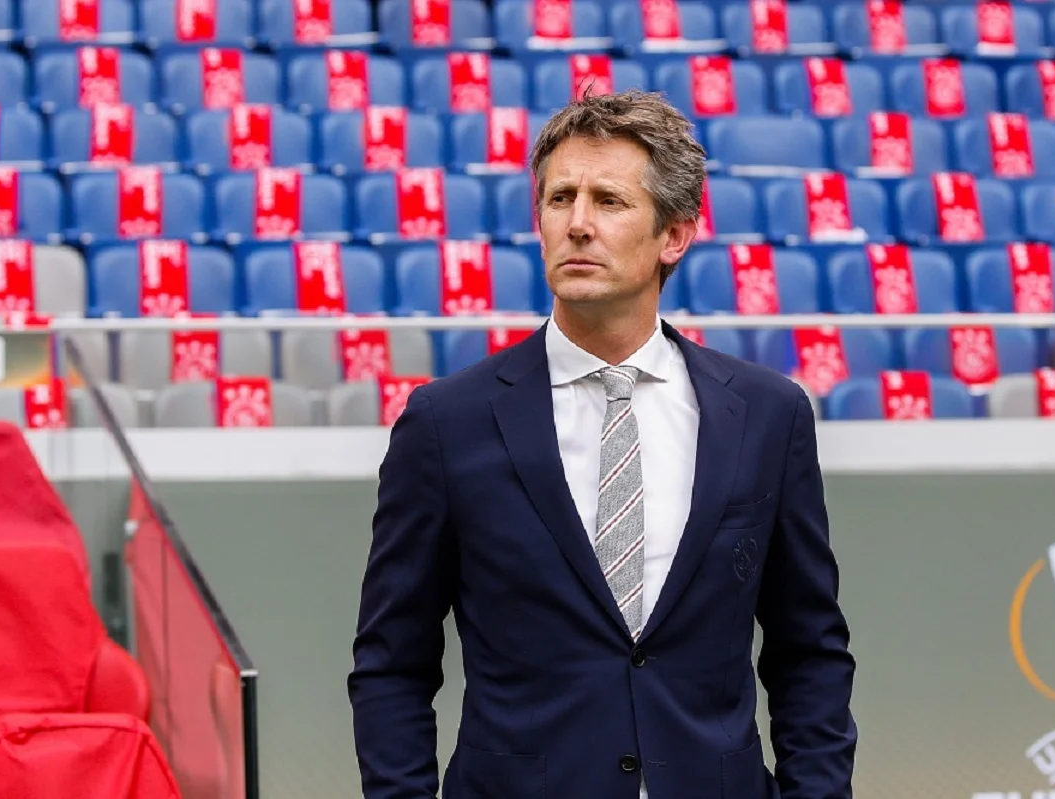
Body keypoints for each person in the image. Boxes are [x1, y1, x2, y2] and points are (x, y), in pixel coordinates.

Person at [348, 90, 856, 799]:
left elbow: (810, 651)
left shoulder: (767, 415)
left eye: (609, 201)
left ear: (674, 236)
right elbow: (391, 662)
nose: (578, 223)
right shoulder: (446, 423)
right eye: (560, 198)